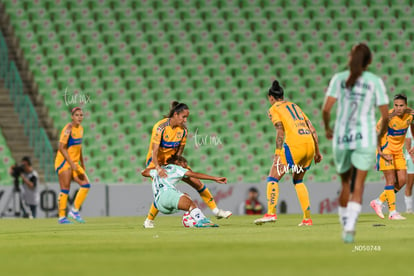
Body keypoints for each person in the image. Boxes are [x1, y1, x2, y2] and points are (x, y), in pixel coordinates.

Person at [322, 43, 390, 243]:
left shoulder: (338, 79)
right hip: (365, 137)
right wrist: (379, 136)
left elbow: (326, 109)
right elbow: (385, 115)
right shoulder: (374, 81)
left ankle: (345, 223)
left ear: (351, 58)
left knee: (345, 183)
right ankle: (350, 226)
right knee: (358, 184)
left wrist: (327, 127)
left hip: (342, 136)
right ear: (369, 61)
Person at [142, 101, 232, 228]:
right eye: (183, 117)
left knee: (197, 183)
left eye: (187, 118)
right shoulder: (160, 127)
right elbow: (154, 151)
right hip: (155, 163)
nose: (185, 120)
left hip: (170, 163)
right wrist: (157, 168)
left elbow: (178, 152)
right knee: (164, 191)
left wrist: (179, 161)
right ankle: (149, 220)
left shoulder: (183, 131)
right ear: (175, 114)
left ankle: (216, 211)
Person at [254, 80, 323, 226]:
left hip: (295, 145)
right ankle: (307, 218)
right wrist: (317, 151)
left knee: (272, 177)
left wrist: (278, 152)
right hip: (309, 144)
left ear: (271, 97)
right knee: (298, 180)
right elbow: (312, 128)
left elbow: (280, 130)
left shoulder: (274, 109)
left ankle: (271, 213)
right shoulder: (295, 106)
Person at [141, 155, 226, 227]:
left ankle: (190, 219)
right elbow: (195, 175)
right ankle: (202, 221)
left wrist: (157, 167)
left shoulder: (158, 170)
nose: (186, 167)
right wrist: (215, 178)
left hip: (159, 205)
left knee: (186, 196)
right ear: (178, 162)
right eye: (185, 164)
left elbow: (144, 173)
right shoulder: (176, 168)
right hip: (168, 195)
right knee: (191, 204)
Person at [370, 94, 414, 220]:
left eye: (401, 106)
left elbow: (412, 126)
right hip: (385, 150)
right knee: (390, 180)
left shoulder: (410, 115)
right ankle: (392, 212)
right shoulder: (388, 117)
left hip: (398, 152)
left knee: (402, 181)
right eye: (396, 105)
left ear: (405, 105)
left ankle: (378, 201)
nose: (398, 108)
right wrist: (381, 152)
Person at [54, 107, 91, 224]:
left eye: (81, 115)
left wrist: (82, 163)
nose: (79, 117)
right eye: (77, 115)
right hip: (64, 162)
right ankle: (61, 217)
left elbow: (79, 148)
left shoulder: (81, 129)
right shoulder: (68, 129)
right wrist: (71, 163)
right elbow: (61, 147)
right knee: (65, 189)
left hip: (75, 163)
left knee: (86, 185)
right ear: (72, 116)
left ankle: (74, 211)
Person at [404, 129, 414, 213]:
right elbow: (408, 142)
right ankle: (409, 209)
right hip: (411, 159)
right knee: (410, 184)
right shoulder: (410, 127)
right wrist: (412, 157)